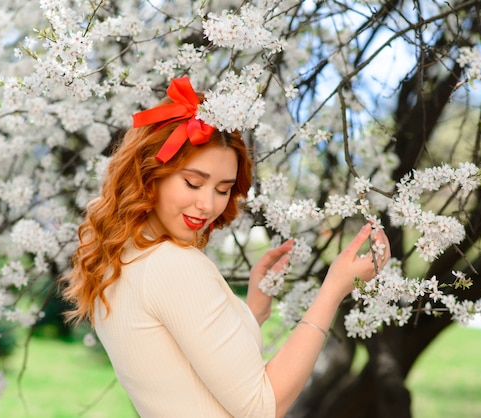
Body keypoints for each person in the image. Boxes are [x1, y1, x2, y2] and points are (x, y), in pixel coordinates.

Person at [61, 77, 391, 418]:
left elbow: (180, 375)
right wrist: (334, 288)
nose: (207, 205)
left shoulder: (120, 256)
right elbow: (263, 407)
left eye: (222, 189)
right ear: (150, 173)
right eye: (193, 182)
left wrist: (252, 313)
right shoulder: (173, 265)